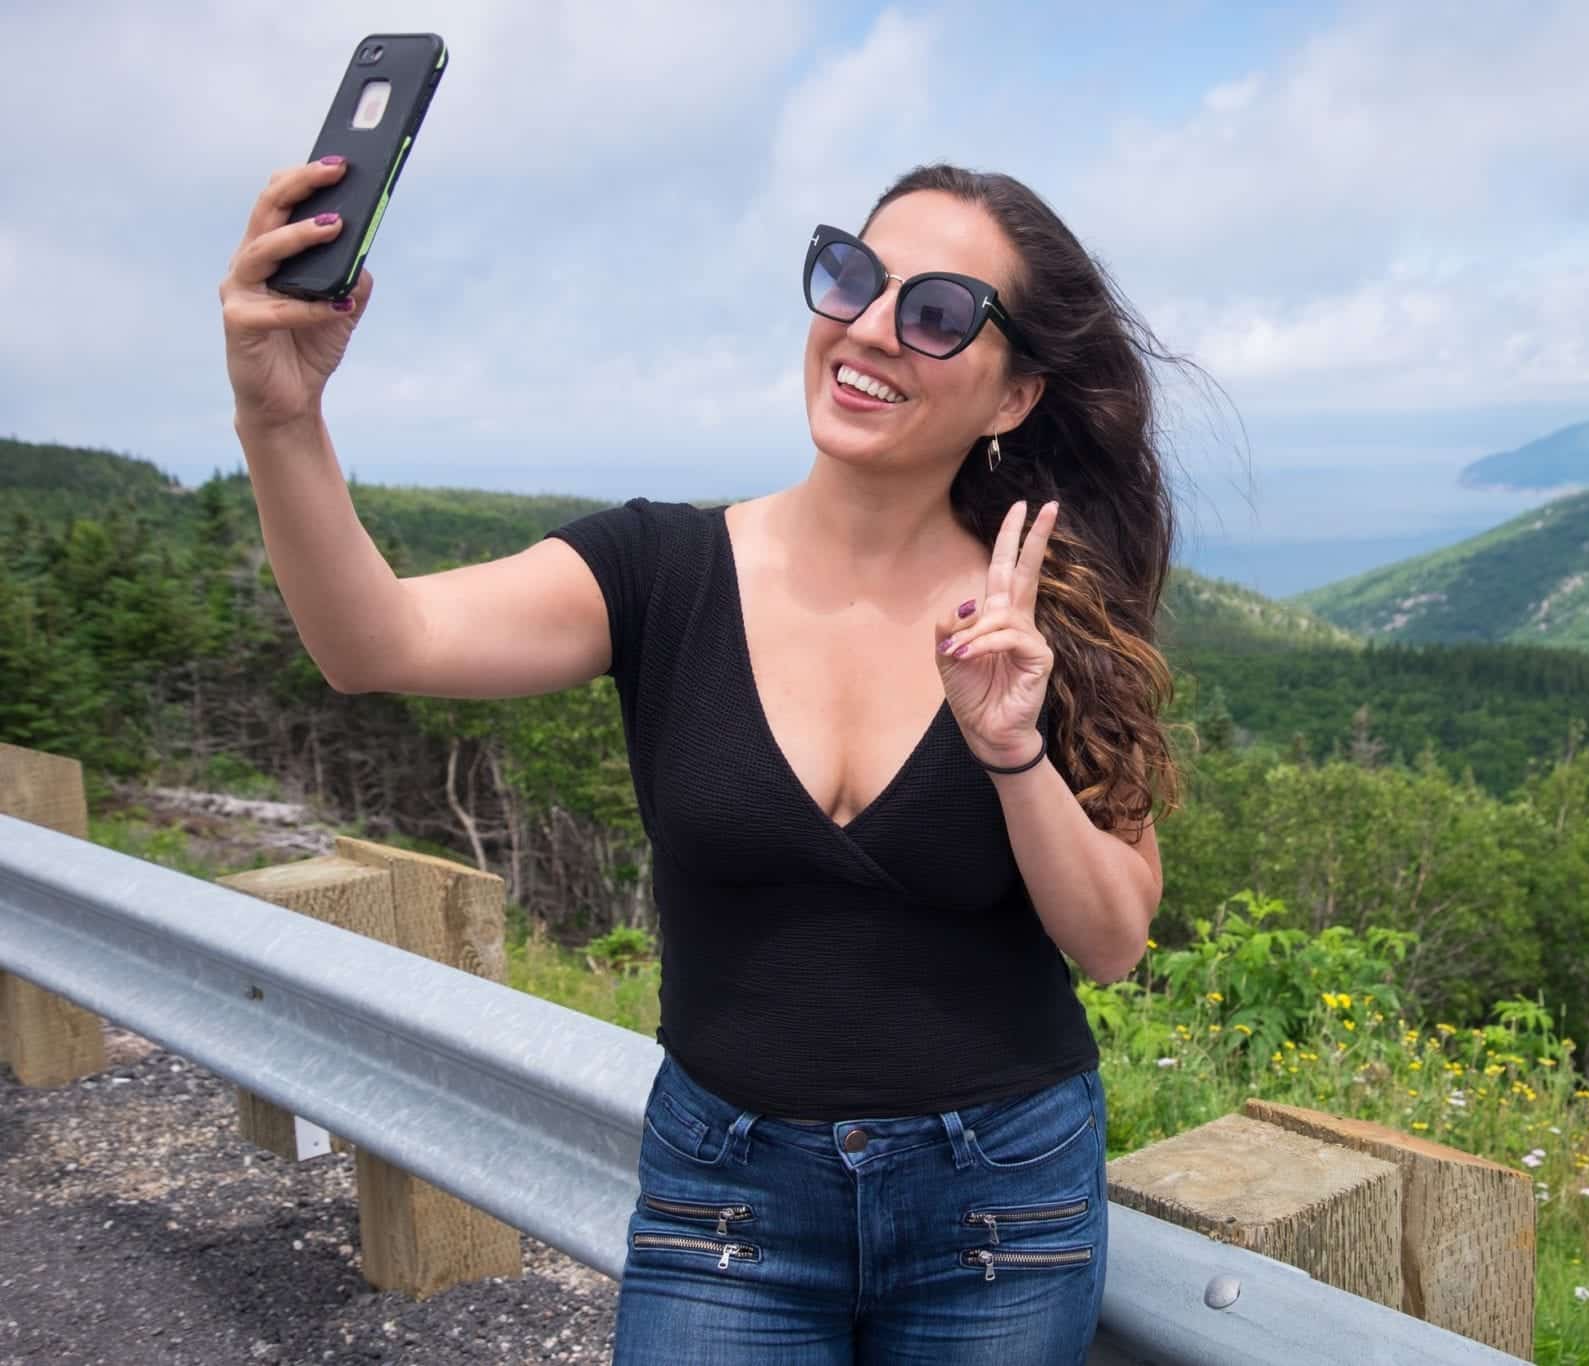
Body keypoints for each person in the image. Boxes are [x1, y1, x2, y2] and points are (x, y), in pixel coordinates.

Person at [220, 157, 1187, 1362]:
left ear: (1010, 396)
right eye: (852, 277)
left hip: (997, 1206)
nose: (871, 327)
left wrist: (1010, 754)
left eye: (936, 312)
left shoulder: (1047, 614)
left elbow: (1110, 939)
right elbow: (374, 640)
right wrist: (280, 415)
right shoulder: (658, 571)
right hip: (728, 1203)